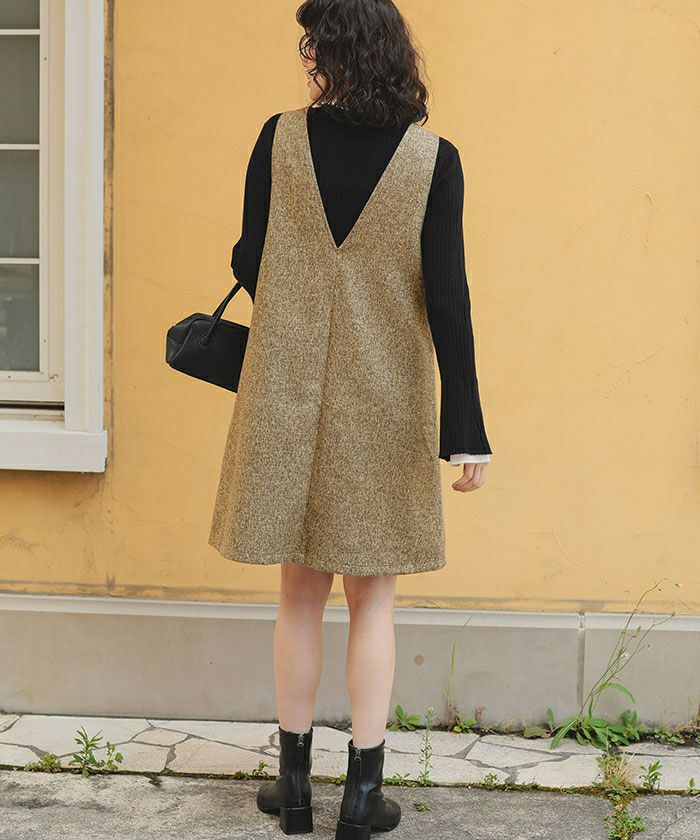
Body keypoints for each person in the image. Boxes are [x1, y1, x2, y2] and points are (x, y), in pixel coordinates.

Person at [208, 1, 492, 836]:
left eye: (313, 46)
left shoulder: (278, 139)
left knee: (299, 594)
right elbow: (449, 300)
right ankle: (363, 797)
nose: (307, 59)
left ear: (332, 53)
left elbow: (249, 259)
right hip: (386, 398)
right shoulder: (435, 161)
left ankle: (294, 790)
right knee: (373, 601)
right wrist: (466, 430)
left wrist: (304, 292)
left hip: (286, 393)